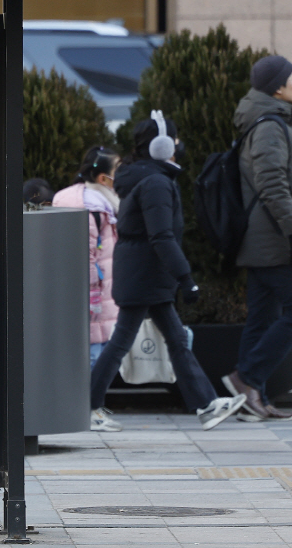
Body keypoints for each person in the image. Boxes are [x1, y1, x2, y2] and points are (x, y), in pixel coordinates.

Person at [87, 115, 245, 432]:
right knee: (123, 342)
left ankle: (206, 404)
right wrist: (186, 279)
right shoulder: (157, 182)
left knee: (174, 340)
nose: (177, 145)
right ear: (160, 146)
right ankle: (87, 406)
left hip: (145, 273)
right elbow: (161, 237)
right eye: (173, 139)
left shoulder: (147, 177)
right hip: (145, 274)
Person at [221, 55, 292, 421]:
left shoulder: (274, 124)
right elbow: (272, 183)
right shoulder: (269, 127)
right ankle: (246, 377)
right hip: (275, 241)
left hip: (265, 241)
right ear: (278, 87)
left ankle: (251, 399)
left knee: (263, 319)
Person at [52, 146, 120, 377]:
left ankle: (89, 407)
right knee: (94, 353)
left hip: (87, 293)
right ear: (103, 177)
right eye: (118, 169)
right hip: (97, 295)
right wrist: (93, 296)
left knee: (88, 349)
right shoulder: (94, 206)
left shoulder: (71, 197)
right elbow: (88, 256)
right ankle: (89, 408)